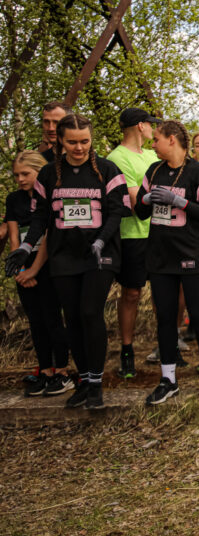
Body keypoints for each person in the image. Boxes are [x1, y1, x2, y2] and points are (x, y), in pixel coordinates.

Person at [7, 113, 131, 410]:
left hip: (101, 252)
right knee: (73, 317)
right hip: (64, 254)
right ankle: (84, 381)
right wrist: (25, 247)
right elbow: (40, 218)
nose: (79, 148)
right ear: (60, 141)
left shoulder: (107, 169)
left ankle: (97, 384)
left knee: (90, 312)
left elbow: (118, 211)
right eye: (72, 142)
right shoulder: (48, 174)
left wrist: (100, 240)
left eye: (85, 141)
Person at [135, 121, 199, 404]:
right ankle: (168, 379)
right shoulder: (154, 171)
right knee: (165, 318)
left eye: (156, 139)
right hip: (161, 257)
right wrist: (146, 199)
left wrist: (180, 201)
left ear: (172, 140)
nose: (152, 144)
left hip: (192, 255)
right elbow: (139, 212)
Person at [5, 151, 72, 396]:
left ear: (39, 171)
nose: (20, 179)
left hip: (48, 265)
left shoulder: (52, 194)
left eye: (25, 174)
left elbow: (48, 235)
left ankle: (62, 370)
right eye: (16, 175)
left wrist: (34, 270)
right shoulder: (14, 199)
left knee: (52, 318)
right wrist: (20, 269)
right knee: (36, 321)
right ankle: (45, 370)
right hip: (24, 268)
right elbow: (14, 236)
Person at [106, 107, 161, 379]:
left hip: (160, 232)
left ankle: (166, 345)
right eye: (151, 124)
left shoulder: (152, 155)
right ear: (141, 126)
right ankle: (126, 350)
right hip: (132, 235)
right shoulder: (117, 157)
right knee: (131, 293)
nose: (153, 129)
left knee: (164, 291)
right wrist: (160, 194)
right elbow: (133, 200)